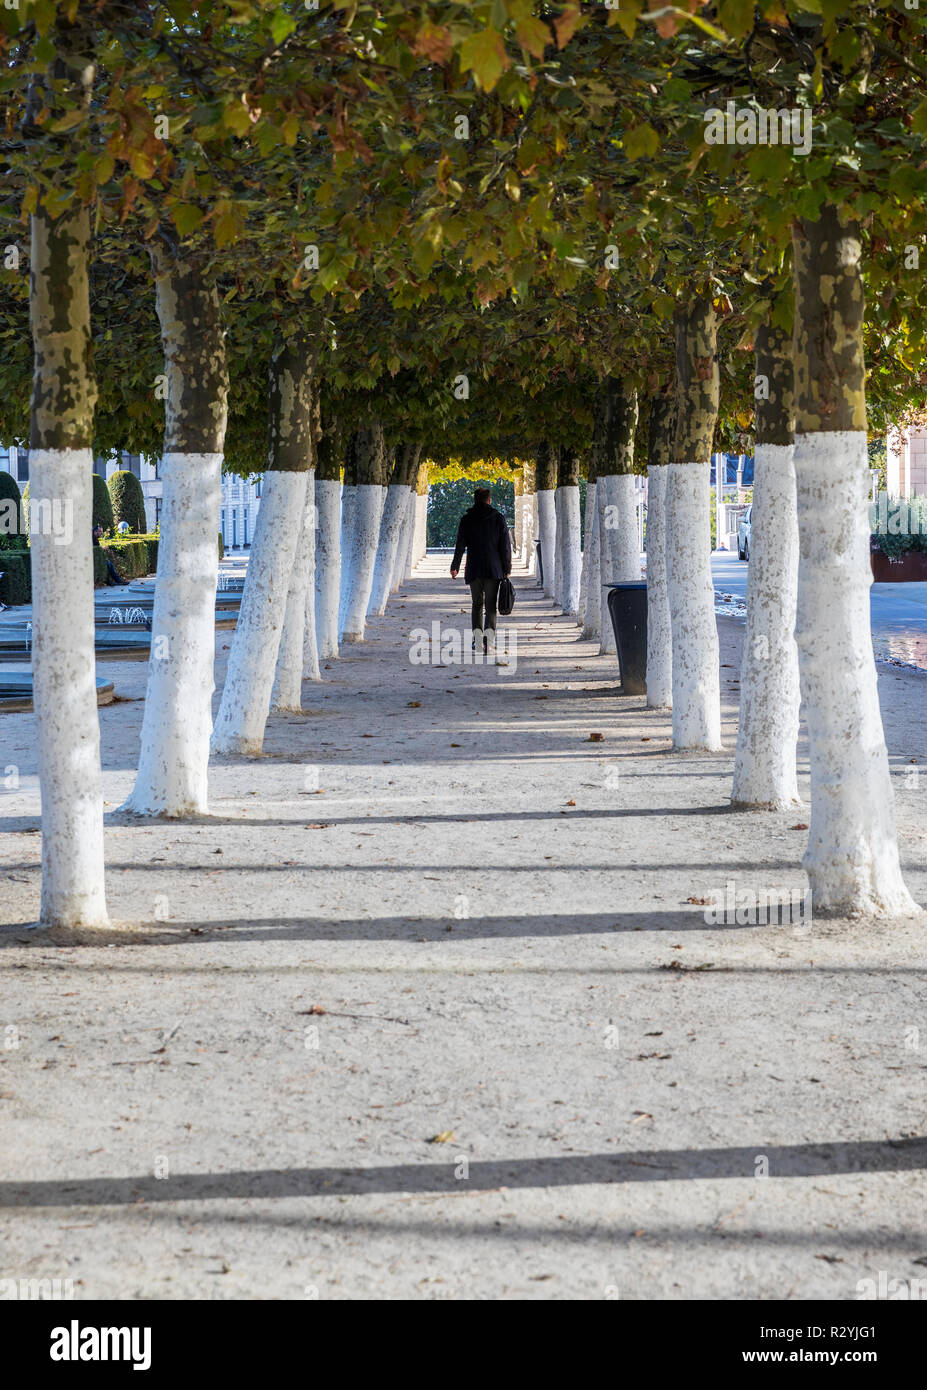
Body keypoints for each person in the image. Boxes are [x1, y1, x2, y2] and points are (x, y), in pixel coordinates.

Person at [450, 486, 512, 655]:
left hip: (474, 568)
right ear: (489, 500)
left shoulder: (466, 519)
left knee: (477, 605)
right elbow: (505, 546)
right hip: (494, 569)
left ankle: (477, 642)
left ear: (475, 501)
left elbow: (460, 545)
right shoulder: (499, 518)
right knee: (490, 606)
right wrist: (507, 568)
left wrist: (455, 566)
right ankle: (489, 643)